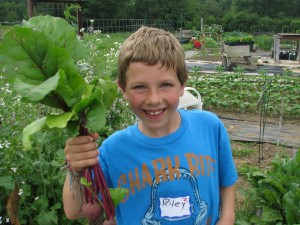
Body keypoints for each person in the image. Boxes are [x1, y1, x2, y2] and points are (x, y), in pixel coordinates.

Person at [63, 26, 238, 225]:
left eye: (165, 85)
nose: (154, 99)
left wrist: (227, 218)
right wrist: (75, 168)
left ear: (182, 85)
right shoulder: (113, 150)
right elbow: (74, 211)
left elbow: (226, 182)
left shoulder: (209, 127)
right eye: (140, 87)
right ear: (123, 89)